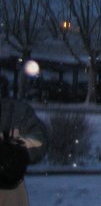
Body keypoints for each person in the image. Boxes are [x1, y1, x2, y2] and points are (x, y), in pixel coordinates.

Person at [0, 78, 48, 206]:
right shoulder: (18, 110)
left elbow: (39, 141)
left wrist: (17, 150)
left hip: (10, 186)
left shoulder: (17, 111)